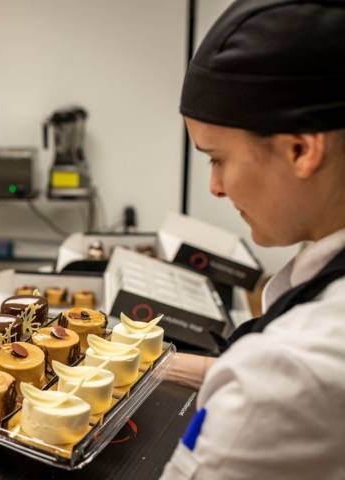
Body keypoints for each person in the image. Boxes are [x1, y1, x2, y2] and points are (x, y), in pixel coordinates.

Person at [161, 1, 345, 478]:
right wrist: (149, 365)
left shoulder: (288, 367)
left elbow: (266, 382)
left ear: (301, 149)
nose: (215, 187)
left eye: (217, 158)